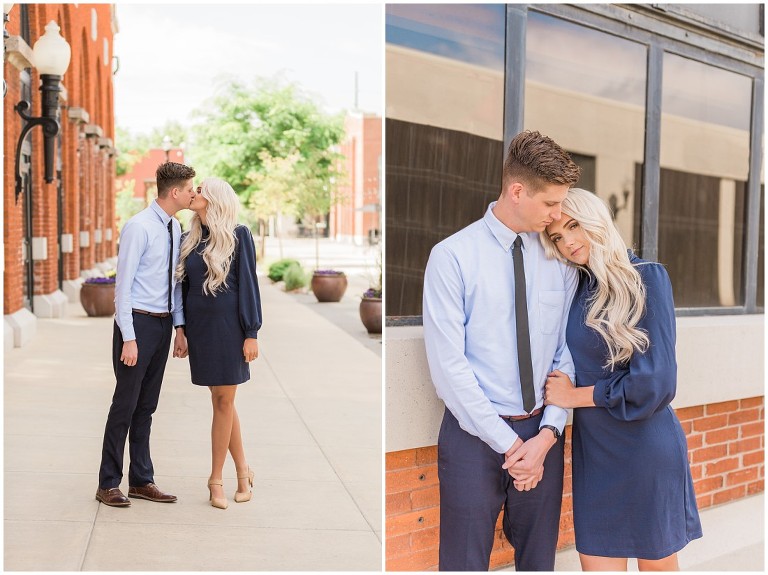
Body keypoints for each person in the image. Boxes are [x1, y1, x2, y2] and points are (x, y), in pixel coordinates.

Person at [423, 130, 581, 571]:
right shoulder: (452, 257)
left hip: (541, 437)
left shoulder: (558, 259)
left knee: (538, 562)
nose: (558, 215)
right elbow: (449, 368)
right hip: (473, 438)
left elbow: (564, 353)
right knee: (463, 563)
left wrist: (547, 435)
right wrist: (512, 446)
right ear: (517, 191)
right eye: (550, 203)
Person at [541, 188, 703, 571]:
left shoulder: (647, 278)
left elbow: (656, 383)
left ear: (596, 219)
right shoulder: (574, 287)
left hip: (645, 448)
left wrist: (574, 396)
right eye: (558, 237)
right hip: (596, 454)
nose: (568, 242)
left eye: (573, 226)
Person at [96, 162, 196, 507]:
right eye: (190, 189)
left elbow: (174, 284)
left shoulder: (174, 226)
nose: (193, 193)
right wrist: (128, 336)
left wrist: (179, 327)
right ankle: (108, 482)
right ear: (175, 192)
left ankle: (141, 480)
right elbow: (122, 286)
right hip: (136, 324)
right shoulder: (138, 227)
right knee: (124, 404)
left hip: (163, 324)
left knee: (147, 406)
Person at [176, 177, 262, 510]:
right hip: (200, 329)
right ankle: (244, 470)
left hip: (230, 329)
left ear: (215, 198)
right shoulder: (189, 239)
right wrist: (180, 330)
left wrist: (251, 332)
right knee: (221, 399)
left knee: (224, 401)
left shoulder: (239, 235)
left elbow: (249, 286)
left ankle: (215, 479)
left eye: (200, 190)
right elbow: (182, 291)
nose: (194, 194)